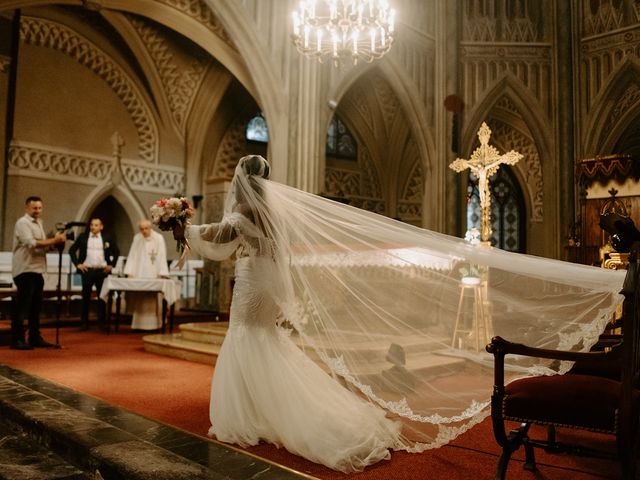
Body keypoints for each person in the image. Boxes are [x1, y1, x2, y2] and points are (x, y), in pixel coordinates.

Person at [174, 154, 625, 472]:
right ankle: (265, 408)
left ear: (241, 180)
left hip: (253, 285)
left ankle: (253, 412)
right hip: (267, 285)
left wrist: (180, 224)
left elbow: (216, 237)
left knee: (249, 340)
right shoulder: (272, 215)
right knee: (265, 341)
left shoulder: (242, 211)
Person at [10, 196, 67, 350]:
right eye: (35, 208)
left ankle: (34, 337)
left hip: (37, 269)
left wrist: (54, 245)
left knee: (36, 306)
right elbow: (31, 243)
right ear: (27, 208)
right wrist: (53, 240)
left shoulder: (39, 223)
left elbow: (42, 246)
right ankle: (17, 339)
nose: (37, 211)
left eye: (40, 208)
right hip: (25, 268)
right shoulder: (22, 223)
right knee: (23, 306)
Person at [69, 218, 119, 331]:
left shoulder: (107, 238)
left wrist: (111, 265)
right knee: (85, 296)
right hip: (87, 270)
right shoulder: (83, 237)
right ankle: (84, 323)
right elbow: (72, 250)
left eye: (96, 225)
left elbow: (116, 251)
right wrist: (78, 264)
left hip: (101, 271)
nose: (93, 227)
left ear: (101, 227)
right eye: (91, 225)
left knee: (102, 297)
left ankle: (102, 322)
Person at [123, 219, 169, 330]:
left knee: (154, 300)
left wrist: (162, 272)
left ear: (150, 228)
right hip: (140, 273)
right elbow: (132, 255)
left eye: (146, 228)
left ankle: (156, 325)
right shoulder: (137, 238)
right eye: (141, 229)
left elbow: (162, 255)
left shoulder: (158, 238)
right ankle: (138, 325)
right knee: (140, 300)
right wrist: (129, 271)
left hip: (154, 273)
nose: (144, 231)